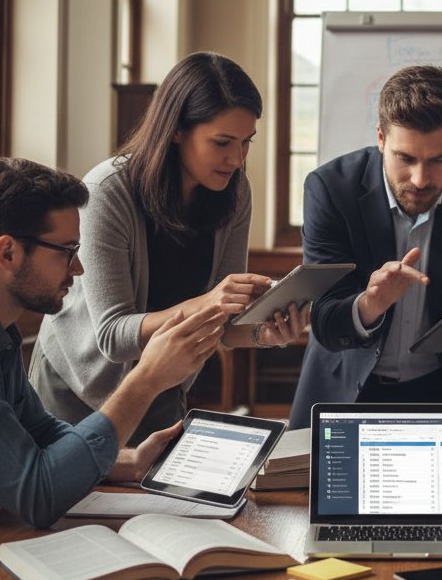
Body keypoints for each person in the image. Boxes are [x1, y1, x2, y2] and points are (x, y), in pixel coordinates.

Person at [0, 158, 228, 562]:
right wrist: (146, 379)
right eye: (66, 251)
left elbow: (39, 434)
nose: (77, 268)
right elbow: (38, 495)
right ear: (7, 252)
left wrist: (129, 462)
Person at [30, 52, 307, 443]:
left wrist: (266, 333)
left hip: (163, 384)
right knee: (76, 499)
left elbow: (223, 326)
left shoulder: (235, 192)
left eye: (247, 142)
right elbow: (113, 336)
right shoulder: (108, 191)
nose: (237, 158)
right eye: (222, 142)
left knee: (159, 504)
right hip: (76, 387)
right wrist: (211, 302)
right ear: (176, 129)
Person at [288, 65, 442, 429]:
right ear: (381, 138)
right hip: (345, 391)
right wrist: (370, 303)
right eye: (405, 158)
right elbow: (326, 321)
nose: (421, 179)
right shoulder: (331, 189)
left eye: (440, 159)